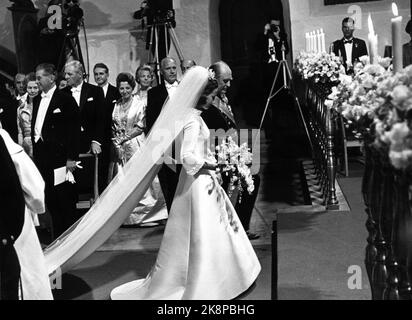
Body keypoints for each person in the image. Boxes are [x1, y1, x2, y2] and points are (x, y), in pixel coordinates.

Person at [110, 66, 261, 300]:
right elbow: (188, 156)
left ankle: (227, 275)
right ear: (202, 96)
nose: (213, 101)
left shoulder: (191, 116)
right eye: (211, 97)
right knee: (204, 231)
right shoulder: (192, 121)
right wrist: (215, 165)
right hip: (198, 182)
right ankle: (211, 281)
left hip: (200, 179)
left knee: (210, 229)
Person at [202, 61, 261, 240]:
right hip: (214, 158)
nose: (229, 85)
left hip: (229, 154)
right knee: (249, 180)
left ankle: (240, 226)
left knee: (252, 179)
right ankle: (233, 229)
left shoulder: (223, 99)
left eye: (230, 81)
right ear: (214, 78)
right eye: (225, 81)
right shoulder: (206, 102)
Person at [0, 129, 53, 300]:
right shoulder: (4, 139)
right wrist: (38, 209)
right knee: (27, 277)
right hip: (12, 225)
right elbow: (34, 187)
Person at [110, 73, 167, 226]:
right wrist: (117, 142)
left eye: (127, 88)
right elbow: (114, 126)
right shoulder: (116, 104)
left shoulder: (139, 103)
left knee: (141, 178)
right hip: (120, 148)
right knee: (123, 180)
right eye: (121, 88)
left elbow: (140, 126)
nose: (124, 91)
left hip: (136, 144)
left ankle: (148, 216)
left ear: (132, 87)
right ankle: (128, 217)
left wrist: (123, 138)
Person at [31, 63, 81, 238]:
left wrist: (71, 158)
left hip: (61, 158)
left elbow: (74, 131)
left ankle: (70, 238)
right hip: (43, 158)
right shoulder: (36, 100)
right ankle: (57, 237)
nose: (37, 81)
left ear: (51, 77)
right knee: (50, 198)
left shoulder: (65, 99)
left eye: (39, 78)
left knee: (64, 199)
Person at [146, 57, 180, 212]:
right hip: (166, 145)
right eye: (168, 68)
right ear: (161, 71)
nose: (172, 71)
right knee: (170, 183)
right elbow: (152, 121)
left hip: (186, 142)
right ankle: (174, 216)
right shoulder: (154, 93)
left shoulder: (186, 88)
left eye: (174, 68)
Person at [63, 60, 106, 155]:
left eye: (69, 74)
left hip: (90, 143)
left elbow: (101, 118)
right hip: (68, 144)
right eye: (65, 74)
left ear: (79, 74)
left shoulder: (95, 91)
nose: (66, 77)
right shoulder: (62, 93)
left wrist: (96, 141)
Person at [256, 18, 289, 139]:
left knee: (279, 98)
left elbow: (287, 51)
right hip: (266, 70)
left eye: (277, 26)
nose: (275, 27)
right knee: (266, 98)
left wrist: (278, 37)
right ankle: (268, 128)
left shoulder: (282, 36)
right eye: (273, 26)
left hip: (279, 69)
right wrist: (265, 32)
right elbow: (258, 47)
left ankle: (280, 127)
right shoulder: (263, 36)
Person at [93, 62, 121, 191]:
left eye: (101, 73)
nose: (98, 76)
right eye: (96, 74)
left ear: (107, 74)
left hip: (114, 137)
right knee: (100, 173)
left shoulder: (116, 92)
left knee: (115, 170)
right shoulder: (91, 92)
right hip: (98, 139)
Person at [17, 73, 39, 158]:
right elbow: (20, 132)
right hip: (26, 147)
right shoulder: (21, 108)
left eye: (35, 88)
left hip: (40, 145)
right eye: (30, 88)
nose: (32, 91)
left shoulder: (43, 106)